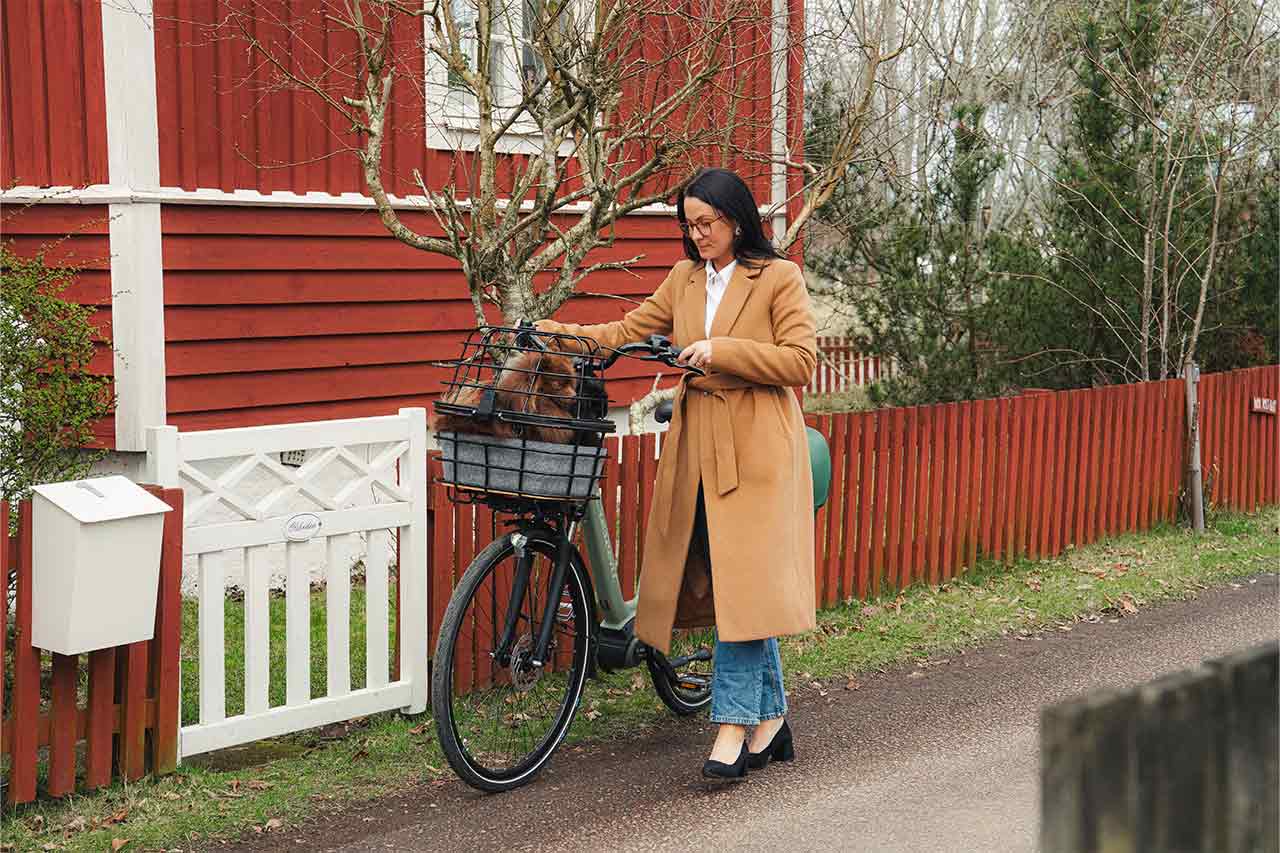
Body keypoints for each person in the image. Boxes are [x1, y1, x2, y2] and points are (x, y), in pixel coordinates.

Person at [536, 167, 817, 780]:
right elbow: (625, 330)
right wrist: (556, 334)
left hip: (759, 448)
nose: (697, 235)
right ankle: (772, 724)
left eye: (706, 223)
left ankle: (733, 725)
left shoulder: (778, 277)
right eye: (688, 225)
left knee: (743, 585)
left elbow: (800, 361)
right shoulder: (685, 279)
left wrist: (723, 351)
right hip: (698, 444)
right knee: (732, 585)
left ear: (736, 218)